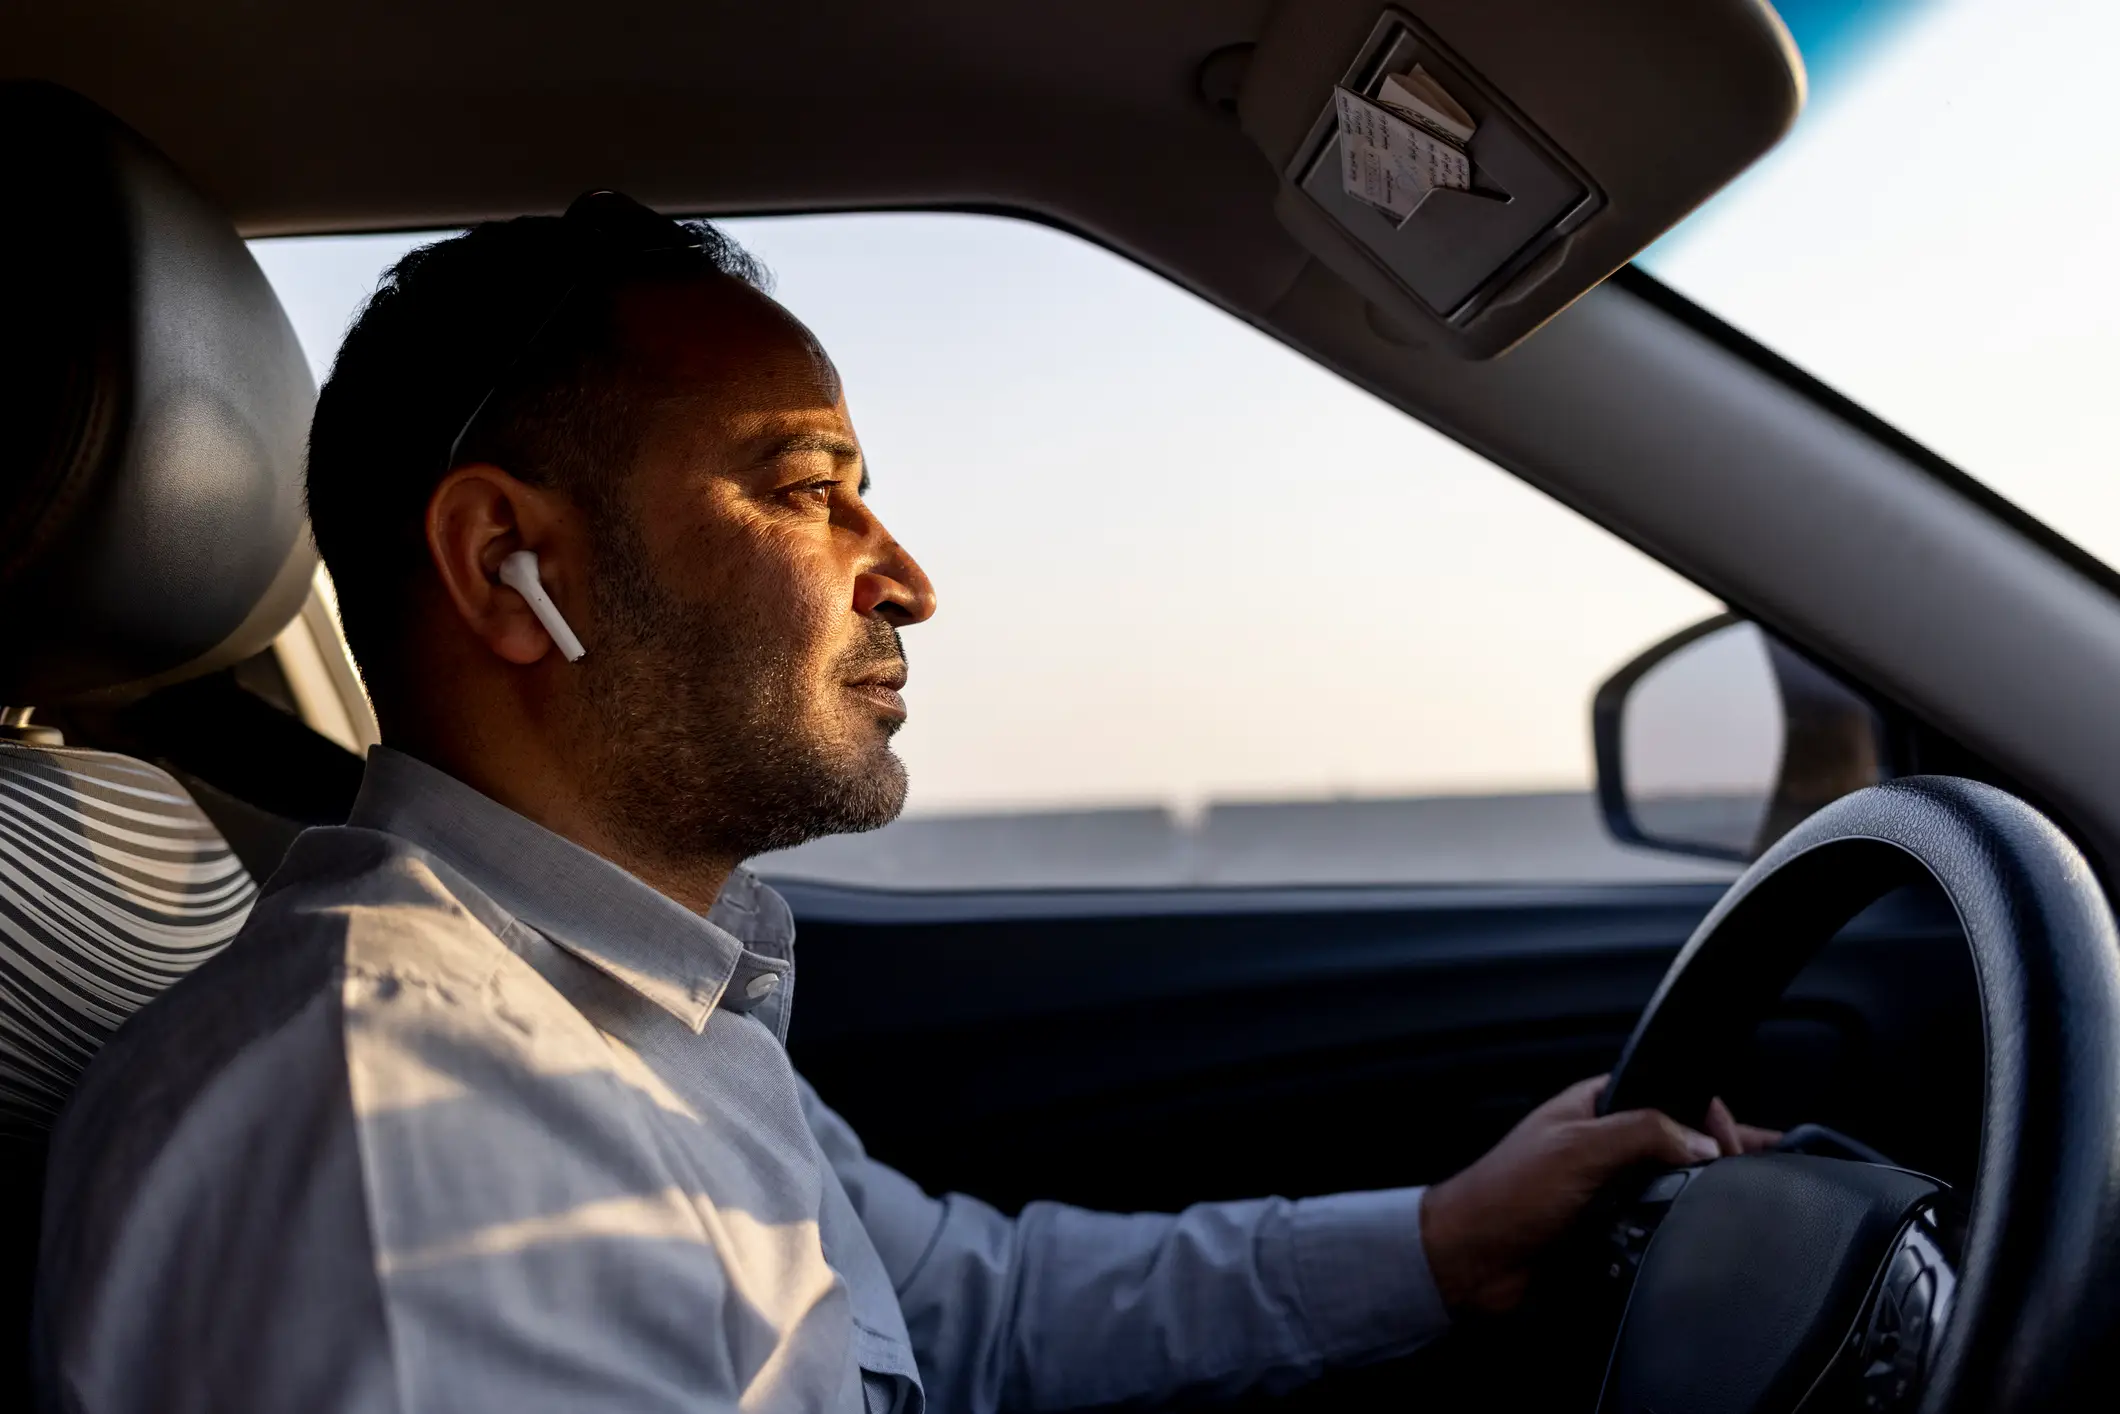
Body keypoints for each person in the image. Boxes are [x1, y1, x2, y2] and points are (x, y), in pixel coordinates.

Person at [35, 194, 1776, 1413]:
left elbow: (955, 1306)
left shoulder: (629, 1002)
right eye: (809, 487)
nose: (909, 579)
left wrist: (1443, 1242)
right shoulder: (396, 1137)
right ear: (509, 564)